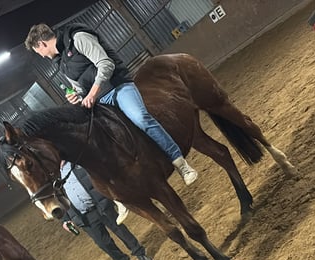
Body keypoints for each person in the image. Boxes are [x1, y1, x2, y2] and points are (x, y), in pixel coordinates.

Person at [25, 23, 199, 188]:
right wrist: (76, 96)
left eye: (38, 51)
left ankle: (180, 163)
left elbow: (106, 64)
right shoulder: (61, 62)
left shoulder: (78, 38)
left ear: (41, 44)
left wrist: (92, 93)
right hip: (97, 101)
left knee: (141, 118)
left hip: (117, 87)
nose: (41, 55)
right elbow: (78, 86)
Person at [59, 162, 154, 260]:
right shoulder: (53, 175)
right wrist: (65, 219)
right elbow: (57, 198)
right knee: (104, 243)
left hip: (100, 204)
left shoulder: (76, 161)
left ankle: (140, 254)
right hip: (84, 216)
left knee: (120, 230)